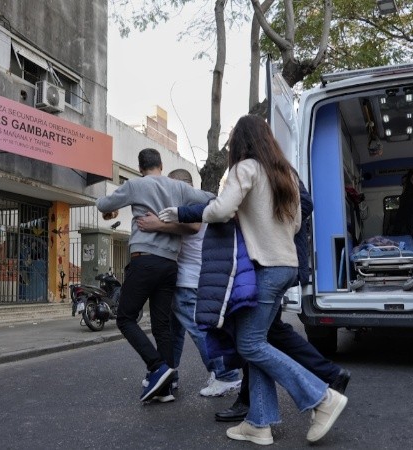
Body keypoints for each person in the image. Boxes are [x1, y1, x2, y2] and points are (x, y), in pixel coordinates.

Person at [160, 115, 348, 445]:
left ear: (240, 142)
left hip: (264, 268)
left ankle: (322, 399)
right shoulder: (286, 173)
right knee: (256, 343)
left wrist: (185, 212)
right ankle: (258, 422)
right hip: (285, 265)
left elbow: (221, 210)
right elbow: (297, 222)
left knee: (249, 344)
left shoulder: (245, 168)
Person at [215, 169, 351, 422]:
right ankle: (261, 414)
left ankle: (318, 395)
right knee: (266, 333)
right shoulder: (267, 168)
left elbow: (305, 204)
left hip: (271, 263)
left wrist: (263, 219)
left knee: (253, 338)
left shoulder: (273, 168)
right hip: (272, 263)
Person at [96, 148, 214, 403]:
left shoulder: (137, 185)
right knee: (163, 326)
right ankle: (166, 388)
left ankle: (157, 366)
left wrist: (111, 210)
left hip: (145, 261)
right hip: (170, 265)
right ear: (161, 164)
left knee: (125, 318)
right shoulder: (179, 187)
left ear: (140, 168)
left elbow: (103, 204)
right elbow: (209, 197)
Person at [136, 169, 242, 397]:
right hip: (186, 278)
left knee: (198, 330)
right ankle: (167, 376)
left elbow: (193, 227)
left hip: (188, 280)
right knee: (173, 333)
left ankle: (225, 374)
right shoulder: (195, 203)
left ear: (180, 187)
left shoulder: (191, 205)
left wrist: (157, 225)